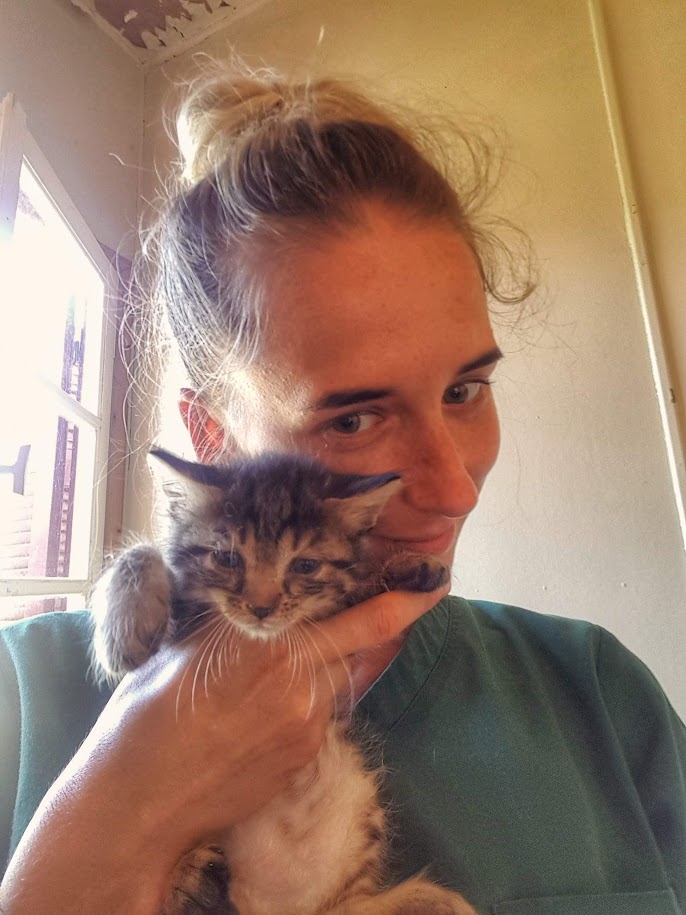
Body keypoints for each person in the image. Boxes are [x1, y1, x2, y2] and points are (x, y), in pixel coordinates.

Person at [1, 65, 684, 915]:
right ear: (211, 435)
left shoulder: (605, 698)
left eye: (465, 390)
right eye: (354, 421)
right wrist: (114, 816)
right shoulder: (21, 699)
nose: (453, 488)